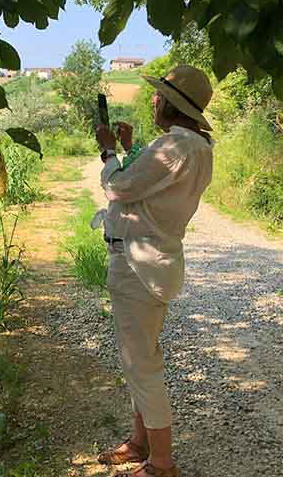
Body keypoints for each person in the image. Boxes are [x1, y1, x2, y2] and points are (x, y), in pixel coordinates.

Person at [93, 65, 215, 477]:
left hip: (137, 265)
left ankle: (161, 462)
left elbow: (120, 188)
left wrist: (110, 152)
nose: (153, 100)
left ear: (172, 104)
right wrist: (130, 152)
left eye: (159, 96)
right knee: (139, 357)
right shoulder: (193, 147)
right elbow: (148, 189)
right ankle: (140, 440)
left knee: (142, 361)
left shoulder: (175, 145)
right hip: (153, 264)